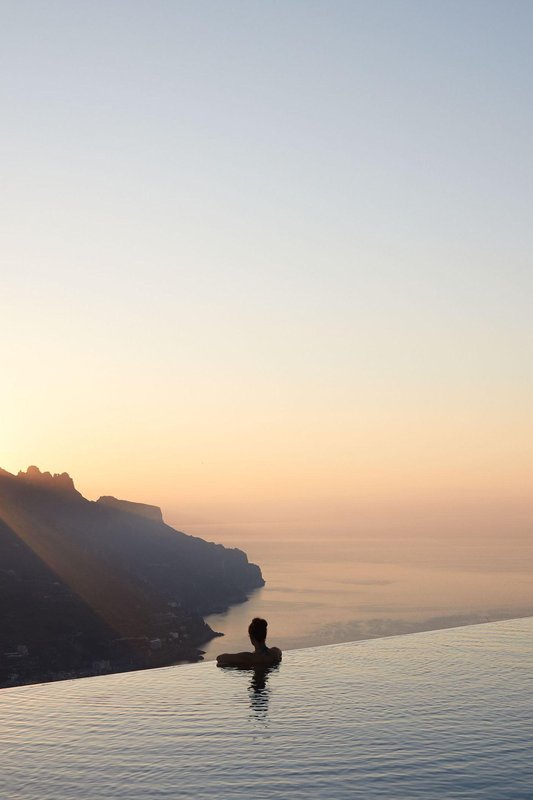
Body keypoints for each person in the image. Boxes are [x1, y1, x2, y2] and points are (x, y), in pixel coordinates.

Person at [216, 617, 282, 668]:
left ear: (251, 637)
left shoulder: (249, 657)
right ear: (265, 635)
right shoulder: (275, 652)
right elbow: (280, 653)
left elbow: (219, 658)